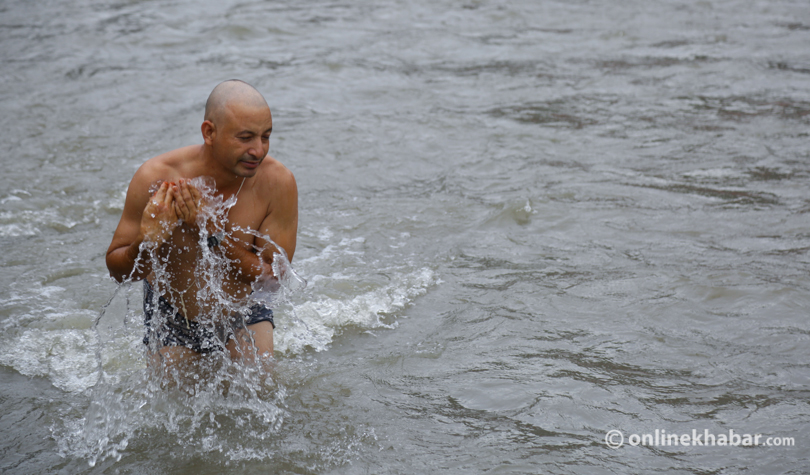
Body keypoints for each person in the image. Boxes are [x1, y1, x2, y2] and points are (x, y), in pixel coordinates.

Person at [106, 79, 297, 370]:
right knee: (172, 397)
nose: (258, 150)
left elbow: (273, 281)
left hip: (244, 309)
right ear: (209, 132)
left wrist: (212, 231)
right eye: (245, 138)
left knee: (264, 383)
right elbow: (117, 272)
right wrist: (147, 241)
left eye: (265, 137)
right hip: (173, 315)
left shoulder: (277, 182)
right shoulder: (156, 178)